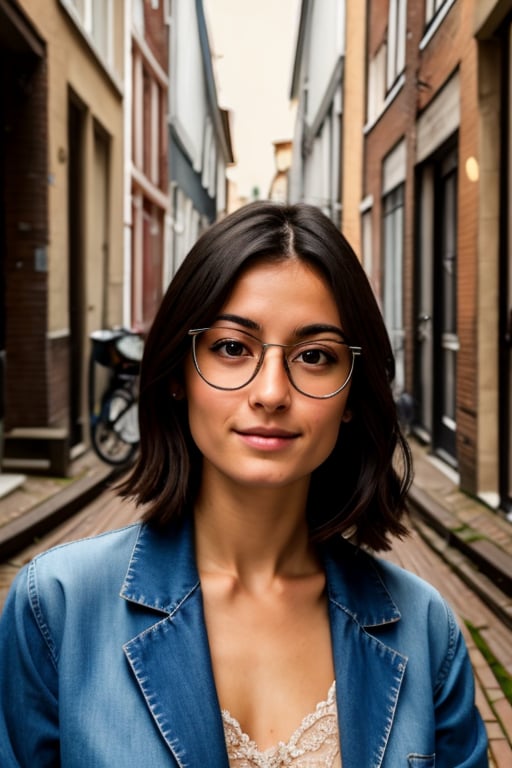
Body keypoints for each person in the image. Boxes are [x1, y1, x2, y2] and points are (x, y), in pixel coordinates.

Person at [0, 202, 488, 767]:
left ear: (353, 394)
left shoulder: (426, 631)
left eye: (314, 356)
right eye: (233, 348)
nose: (272, 392)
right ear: (180, 374)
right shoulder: (56, 607)